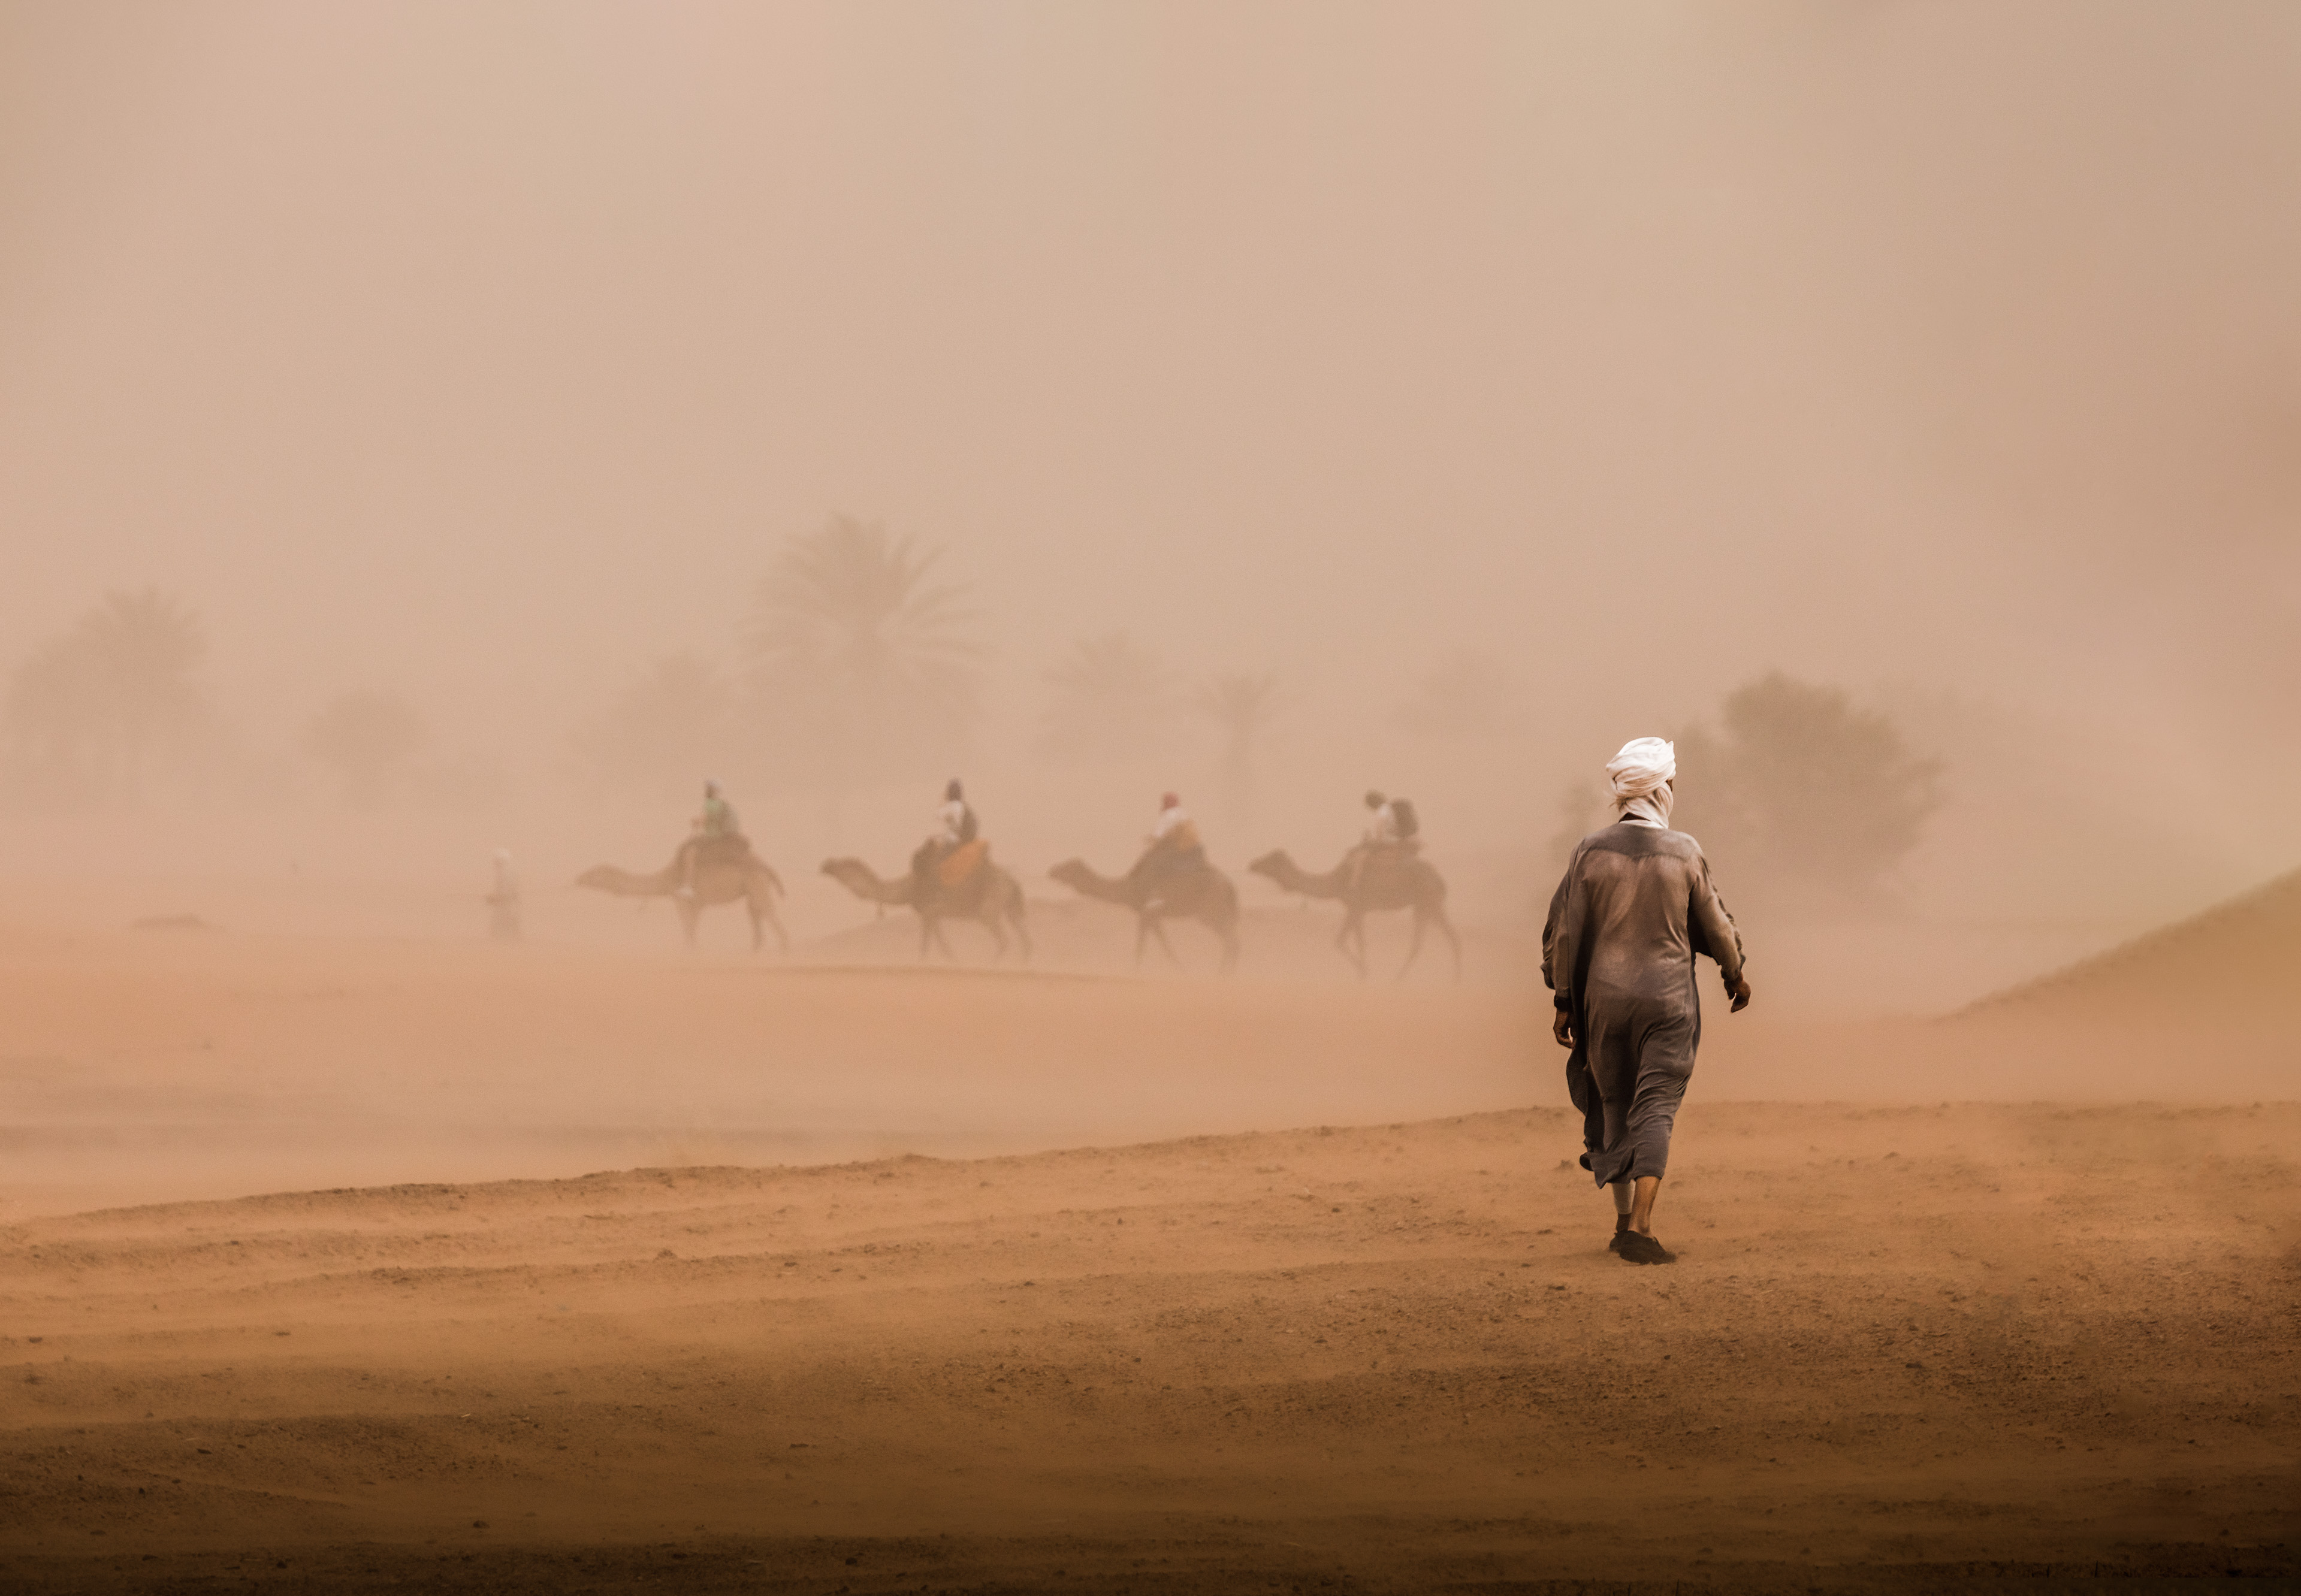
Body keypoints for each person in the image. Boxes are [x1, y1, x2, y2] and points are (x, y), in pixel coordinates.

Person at [1542, 736, 1751, 1265]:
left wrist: (1564, 999)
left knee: (1612, 1102)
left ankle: (1619, 1223)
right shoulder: (1684, 850)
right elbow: (1716, 924)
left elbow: (1565, 932)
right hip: (1668, 1001)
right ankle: (1641, 1225)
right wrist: (1735, 972)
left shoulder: (1589, 851)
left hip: (1604, 1001)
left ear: (1622, 794)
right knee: (1656, 1107)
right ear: (1665, 789)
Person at [675, 779, 748, 899]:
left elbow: (704, 819)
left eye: (709, 789)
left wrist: (695, 820)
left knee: (690, 853)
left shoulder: (710, 804)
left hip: (713, 837)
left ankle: (688, 886)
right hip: (720, 836)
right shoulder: (721, 804)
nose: (707, 791)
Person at [913, 778, 980, 901]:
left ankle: (937, 894)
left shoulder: (952, 806)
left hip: (954, 843)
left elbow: (938, 815)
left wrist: (942, 800)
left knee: (935, 864)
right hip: (962, 841)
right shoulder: (963, 807)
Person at [1128, 792, 1205, 890]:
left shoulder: (1169, 814)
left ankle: (1154, 896)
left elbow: (1158, 836)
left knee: (1152, 865)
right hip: (1193, 850)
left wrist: (1148, 839)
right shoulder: (1182, 813)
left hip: (1178, 850)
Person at [486, 847, 521, 942]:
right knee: (506, 919)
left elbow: (505, 890)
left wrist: (495, 898)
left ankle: (507, 941)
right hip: (505, 904)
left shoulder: (505, 873)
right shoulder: (505, 872)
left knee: (504, 920)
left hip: (505, 904)